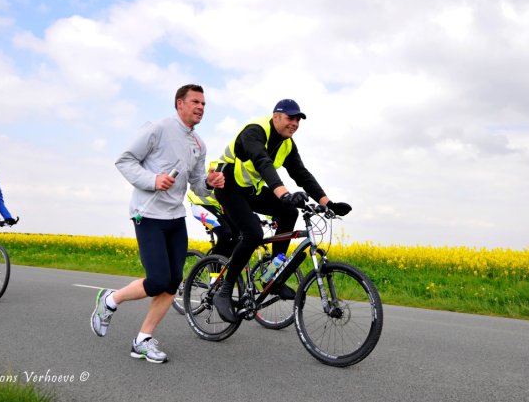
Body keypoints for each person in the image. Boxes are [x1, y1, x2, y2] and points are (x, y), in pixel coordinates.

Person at [90, 84, 225, 363]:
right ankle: (109, 300)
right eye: (195, 102)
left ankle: (143, 340)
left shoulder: (199, 144)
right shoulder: (159, 128)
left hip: (175, 217)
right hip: (148, 214)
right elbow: (125, 160)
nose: (201, 108)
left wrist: (211, 185)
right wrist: (153, 180)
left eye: (204, 104)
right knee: (158, 280)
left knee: (173, 282)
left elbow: (198, 185)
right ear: (180, 104)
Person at [211, 99, 352, 323]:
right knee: (253, 234)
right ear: (276, 116)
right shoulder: (255, 131)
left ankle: (273, 277)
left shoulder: (287, 144)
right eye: (290, 118)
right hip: (227, 186)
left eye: (298, 120)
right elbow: (262, 162)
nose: (295, 123)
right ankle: (225, 290)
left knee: (289, 213)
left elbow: (302, 175)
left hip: (251, 190)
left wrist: (328, 203)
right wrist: (285, 194)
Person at [187, 190, 238, 258]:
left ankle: (223, 262)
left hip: (217, 205)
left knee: (239, 234)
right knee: (225, 233)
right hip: (199, 203)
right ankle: (212, 263)